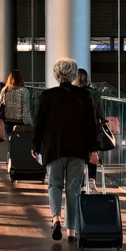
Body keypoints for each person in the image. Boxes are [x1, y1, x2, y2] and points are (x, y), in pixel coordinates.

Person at [32, 58, 98, 241]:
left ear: (56, 75)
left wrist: (36, 146)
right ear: (74, 74)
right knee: (73, 188)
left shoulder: (47, 96)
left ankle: (56, 218)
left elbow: (39, 124)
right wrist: (93, 149)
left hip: (54, 148)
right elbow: (90, 126)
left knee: (54, 185)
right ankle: (71, 230)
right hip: (78, 149)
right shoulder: (85, 96)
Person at [76, 68, 106, 189]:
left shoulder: (74, 93)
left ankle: (81, 182)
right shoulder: (95, 93)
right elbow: (101, 114)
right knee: (93, 153)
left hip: (78, 129)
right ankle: (92, 179)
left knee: (79, 156)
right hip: (93, 128)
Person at [0, 69, 30, 140]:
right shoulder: (24, 91)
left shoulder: (5, 89)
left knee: (10, 139)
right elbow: (25, 107)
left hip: (7, 120)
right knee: (19, 141)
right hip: (20, 121)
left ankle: (10, 150)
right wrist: (27, 122)